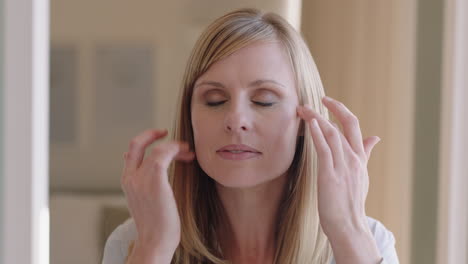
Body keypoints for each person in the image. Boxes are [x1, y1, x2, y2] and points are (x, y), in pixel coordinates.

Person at [102, 8, 399, 264]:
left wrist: (348, 230)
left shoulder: (367, 240)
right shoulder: (133, 242)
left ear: (306, 119)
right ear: (189, 118)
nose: (236, 120)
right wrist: (154, 248)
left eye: (264, 100)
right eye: (215, 99)